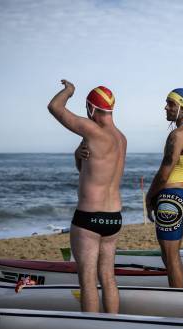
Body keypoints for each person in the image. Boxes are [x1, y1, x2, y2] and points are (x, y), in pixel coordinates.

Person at [48, 80, 127, 313]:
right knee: (108, 277)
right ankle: (113, 326)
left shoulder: (92, 130)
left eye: (87, 110)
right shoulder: (121, 139)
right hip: (114, 219)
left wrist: (68, 91)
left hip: (88, 219)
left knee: (88, 282)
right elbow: (89, 171)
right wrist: (77, 154)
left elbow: (55, 107)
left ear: (92, 108)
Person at [146, 88, 183, 288]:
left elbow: (164, 173)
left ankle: (179, 300)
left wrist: (149, 197)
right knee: (172, 256)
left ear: (182, 108)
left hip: (170, 198)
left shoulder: (178, 135)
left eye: (170, 104)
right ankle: (180, 296)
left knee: (170, 258)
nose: (166, 107)